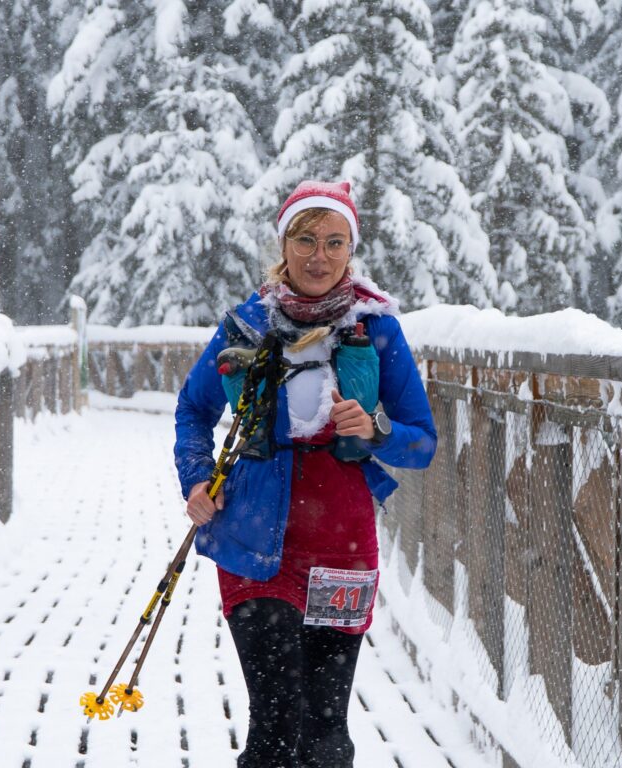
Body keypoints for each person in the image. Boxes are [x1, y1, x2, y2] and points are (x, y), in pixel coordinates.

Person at [174, 180, 436, 768]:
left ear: (351, 250)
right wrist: (195, 478)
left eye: (335, 243)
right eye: (307, 240)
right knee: (275, 728)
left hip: (342, 545)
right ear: (284, 243)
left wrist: (375, 430)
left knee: (324, 736)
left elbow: (422, 445)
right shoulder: (246, 325)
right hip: (255, 541)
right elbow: (194, 410)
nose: (320, 256)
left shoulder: (376, 329)